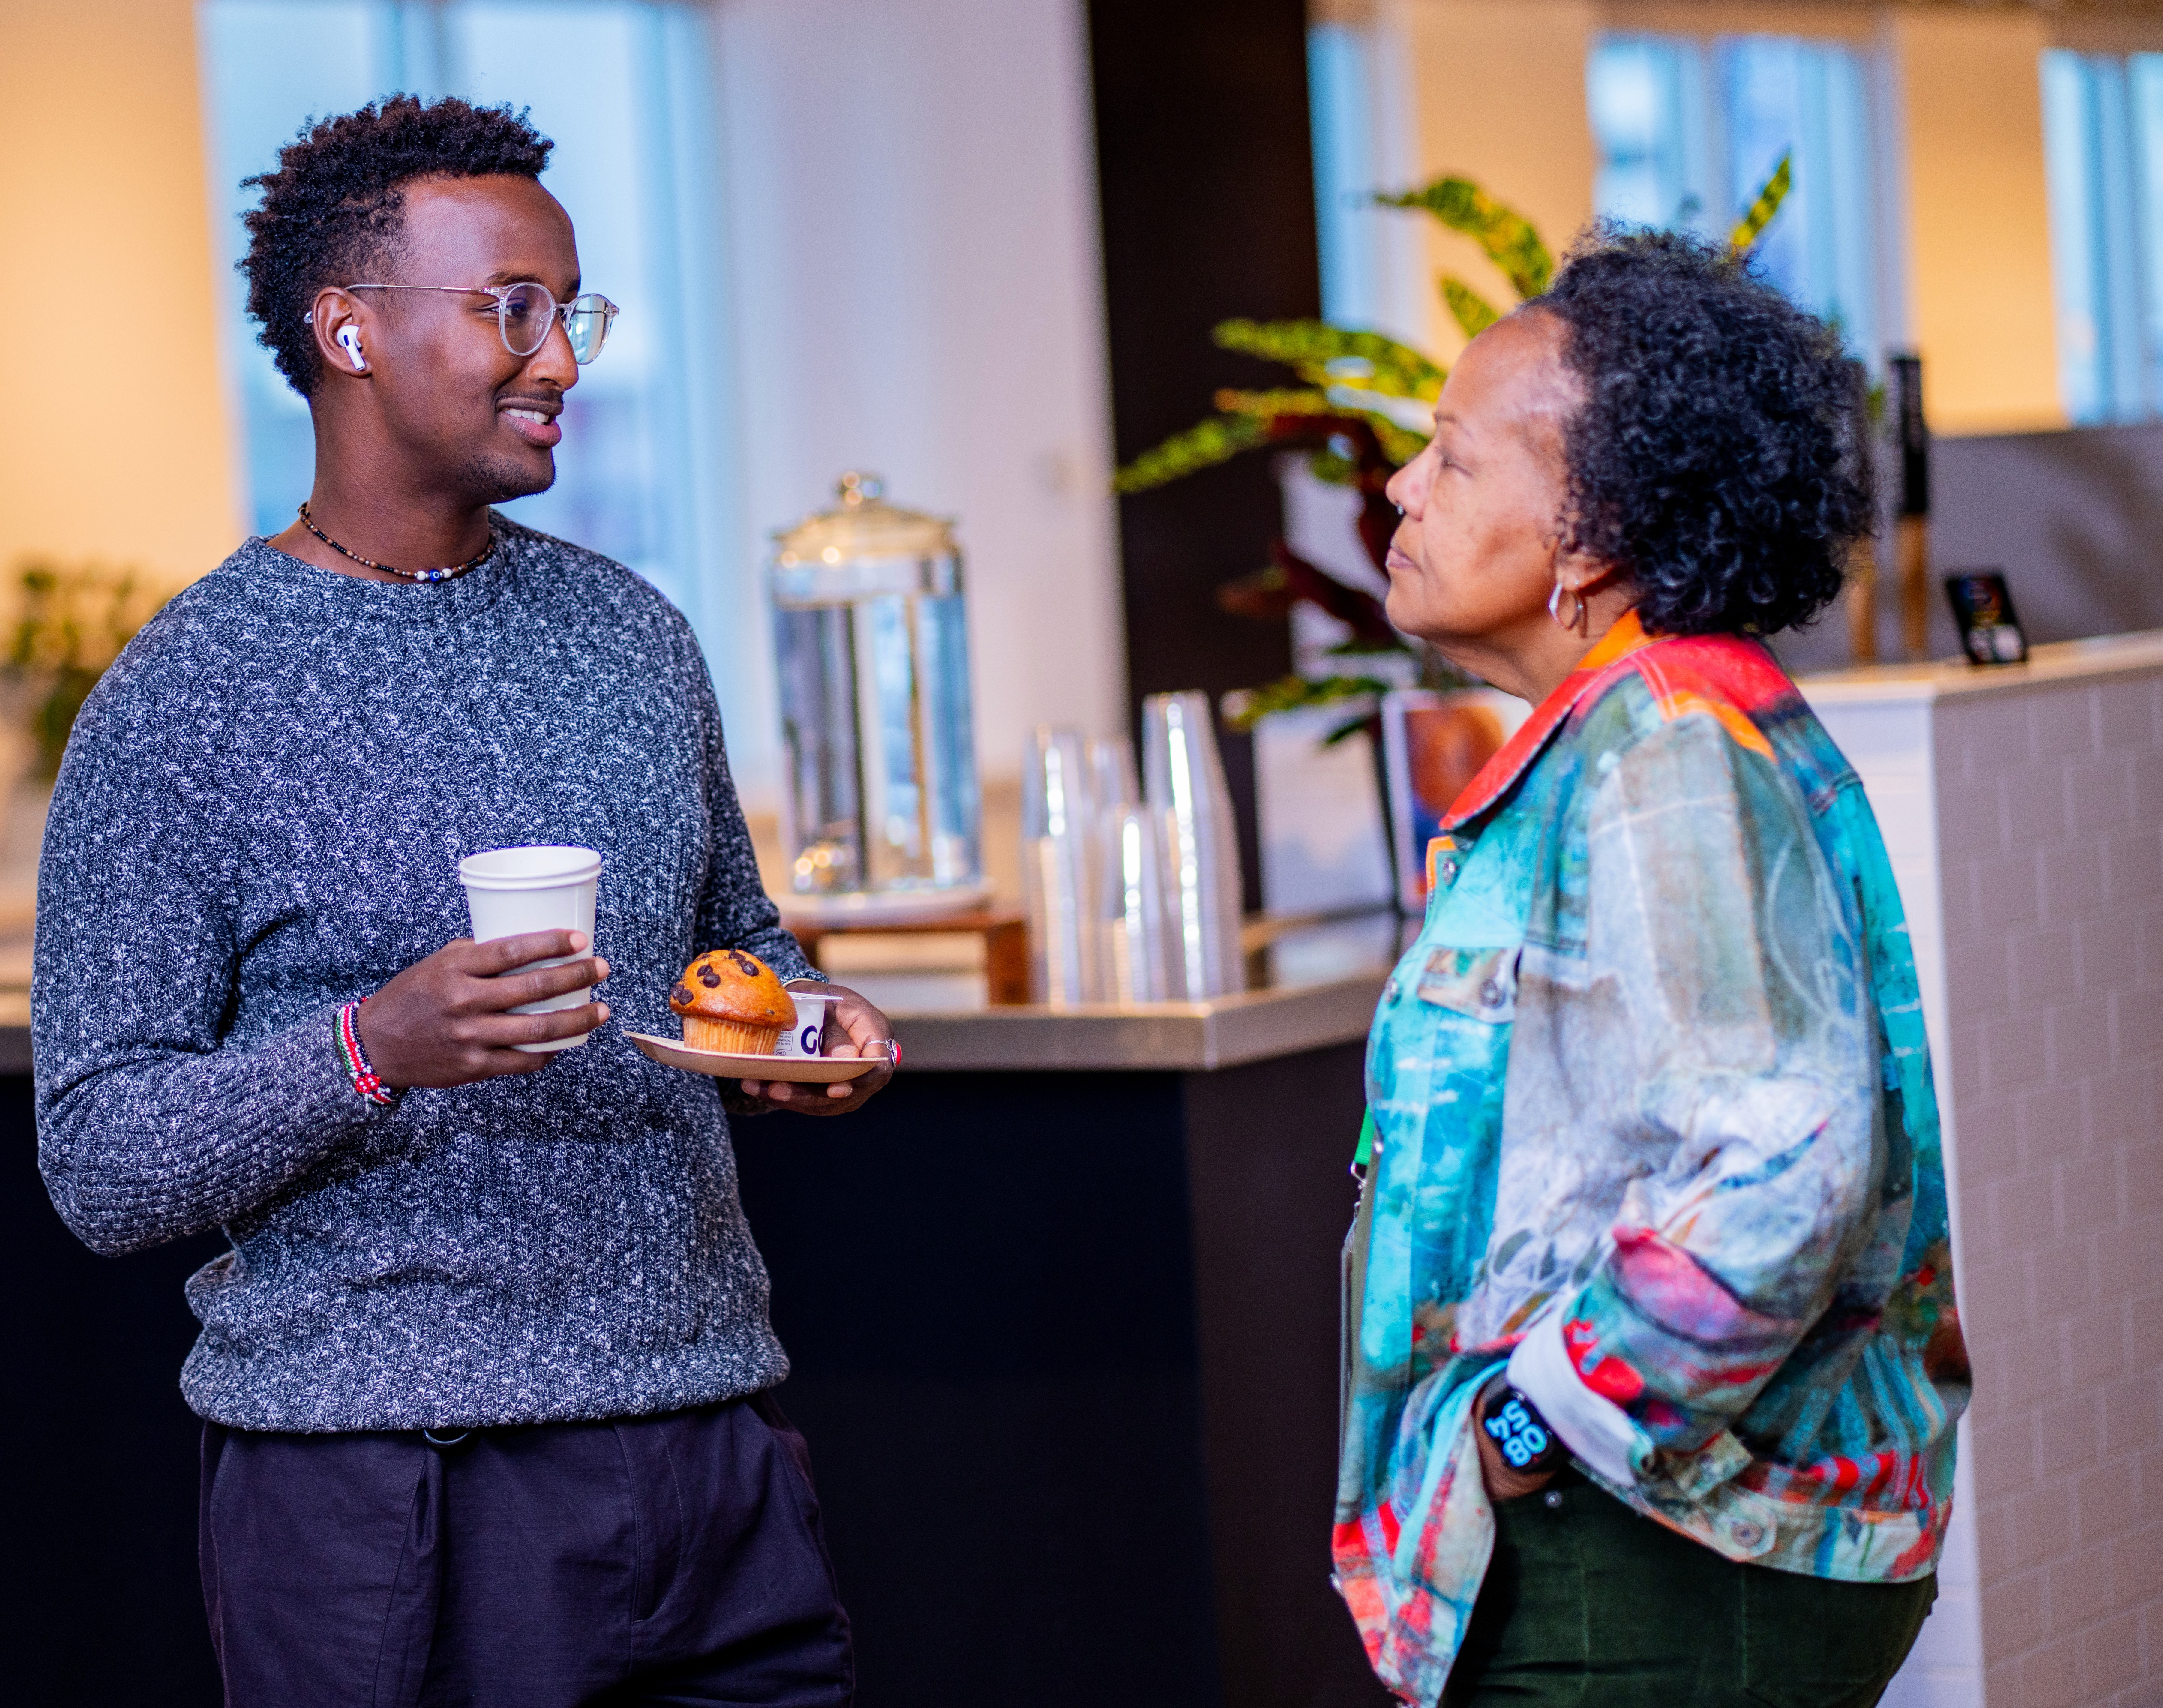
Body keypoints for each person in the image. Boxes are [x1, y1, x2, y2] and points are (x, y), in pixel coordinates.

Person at [34, 95, 883, 1706]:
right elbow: (96, 1161)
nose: (561, 357)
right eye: (514, 310)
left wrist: (802, 1021)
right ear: (346, 330)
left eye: (572, 310)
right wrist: (371, 1047)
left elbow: (736, 947)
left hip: (711, 1458)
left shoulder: (630, 635)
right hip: (389, 1499)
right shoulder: (185, 697)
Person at [1333, 228, 1969, 1708]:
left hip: (1651, 1548)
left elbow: (1784, 1166)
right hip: (1642, 1537)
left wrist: (1535, 1423)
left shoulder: (1665, 753)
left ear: (1593, 537)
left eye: (1453, 458)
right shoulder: (1643, 730)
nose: (1402, 490)